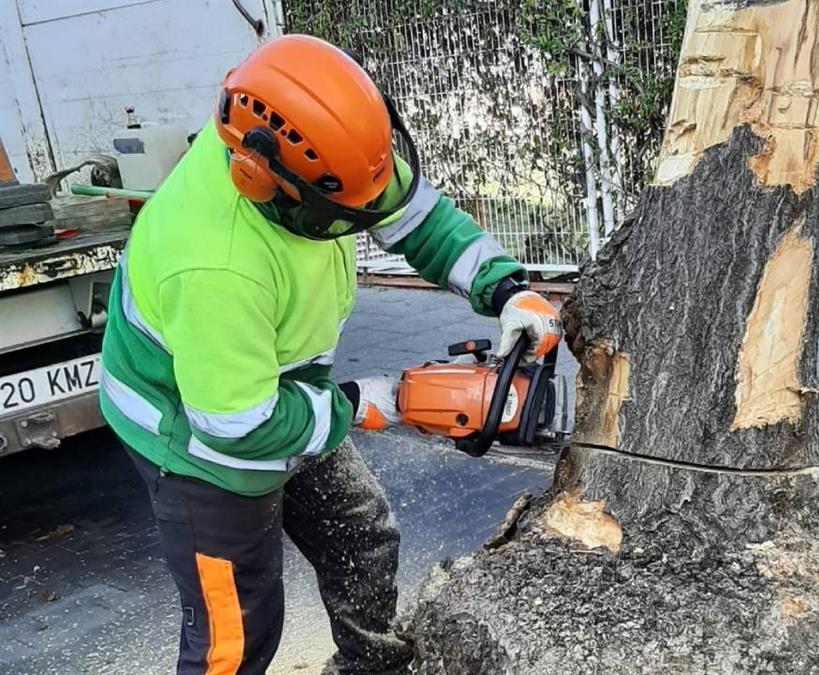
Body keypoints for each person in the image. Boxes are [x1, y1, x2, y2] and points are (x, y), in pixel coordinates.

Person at [98, 34, 561, 675]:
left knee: (360, 536)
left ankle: (369, 666)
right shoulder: (213, 262)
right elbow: (238, 423)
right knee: (238, 625)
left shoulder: (321, 151)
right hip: (195, 429)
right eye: (344, 214)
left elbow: (413, 214)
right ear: (263, 180)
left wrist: (508, 290)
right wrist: (371, 403)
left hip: (275, 382)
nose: (364, 217)